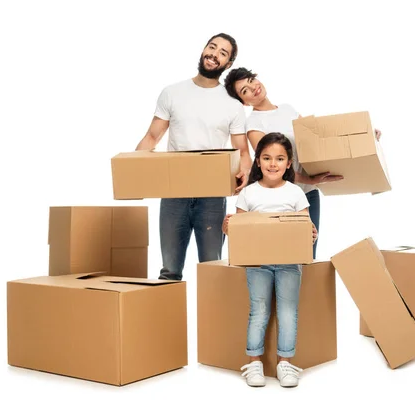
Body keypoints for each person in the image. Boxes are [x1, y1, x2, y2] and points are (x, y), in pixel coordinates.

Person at [224, 67, 382, 259]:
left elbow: (316, 139)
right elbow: (270, 166)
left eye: (251, 80)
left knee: (308, 252)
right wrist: (308, 178)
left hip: (308, 193)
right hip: (281, 196)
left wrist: (363, 137)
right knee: (283, 256)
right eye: (245, 90)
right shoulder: (254, 124)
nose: (253, 87)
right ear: (244, 102)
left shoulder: (287, 109)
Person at [135, 34, 252, 281]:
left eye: (223, 52)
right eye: (212, 47)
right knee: (169, 270)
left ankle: (213, 320)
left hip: (212, 195)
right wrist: (133, 168)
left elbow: (242, 151)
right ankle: (166, 319)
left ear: (228, 63)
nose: (214, 54)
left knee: (213, 270)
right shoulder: (172, 93)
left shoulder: (232, 104)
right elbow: (152, 137)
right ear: (203, 50)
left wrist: (246, 173)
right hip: (174, 191)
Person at [223, 132, 317, 388]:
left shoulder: (296, 192)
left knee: (287, 312)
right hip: (257, 263)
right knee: (259, 311)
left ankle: (285, 364)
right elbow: (236, 230)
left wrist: (310, 233)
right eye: (266, 158)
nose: (272, 164)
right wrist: (227, 226)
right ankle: (255, 363)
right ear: (257, 161)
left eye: (279, 159)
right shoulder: (249, 194)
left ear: (289, 164)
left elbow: (306, 228)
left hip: (289, 263)